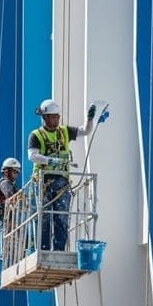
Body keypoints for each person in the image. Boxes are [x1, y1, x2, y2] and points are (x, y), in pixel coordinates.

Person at [27, 99, 96, 251]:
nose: (56, 119)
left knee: (62, 217)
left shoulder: (64, 132)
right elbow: (32, 156)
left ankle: (59, 250)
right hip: (42, 182)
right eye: (53, 117)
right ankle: (43, 250)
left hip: (61, 182)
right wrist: (51, 160)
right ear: (44, 117)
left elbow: (85, 130)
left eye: (57, 116)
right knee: (43, 218)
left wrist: (90, 119)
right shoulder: (36, 135)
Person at [0, 157, 21, 227]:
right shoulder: (4, 183)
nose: (16, 175)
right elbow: (9, 195)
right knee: (12, 236)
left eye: (17, 172)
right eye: (14, 172)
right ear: (6, 171)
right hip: (6, 217)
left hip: (10, 216)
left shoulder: (11, 184)